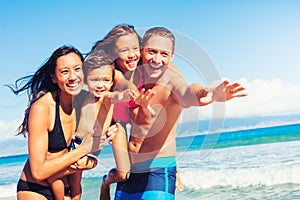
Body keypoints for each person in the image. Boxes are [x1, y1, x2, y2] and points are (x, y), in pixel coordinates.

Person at [114, 27, 247, 199]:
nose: (157, 59)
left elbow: (189, 91)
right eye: (151, 52)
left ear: (171, 57)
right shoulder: (133, 78)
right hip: (131, 170)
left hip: (157, 170)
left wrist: (210, 94)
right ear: (141, 52)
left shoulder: (172, 81)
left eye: (164, 54)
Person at [90, 24, 184, 199]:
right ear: (114, 53)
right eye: (124, 50)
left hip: (154, 162)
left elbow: (181, 90)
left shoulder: (154, 67)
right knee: (122, 174)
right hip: (118, 124)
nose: (132, 54)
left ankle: (173, 167)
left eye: (135, 48)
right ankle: (106, 183)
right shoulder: (112, 71)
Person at [7, 45, 110, 200]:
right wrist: (81, 152)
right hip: (36, 188)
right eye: (64, 71)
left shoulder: (88, 102)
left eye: (77, 69)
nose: (73, 77)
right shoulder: (42, 108)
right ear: (54, 78)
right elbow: (38, 171)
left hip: (68, 189)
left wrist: (91, 162)